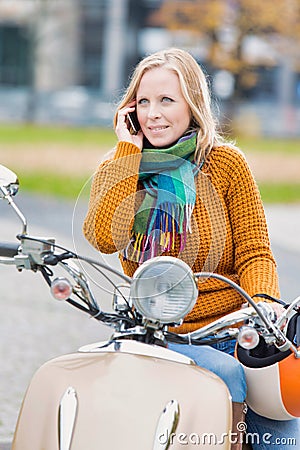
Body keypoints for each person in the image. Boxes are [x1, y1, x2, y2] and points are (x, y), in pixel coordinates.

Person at [83, 48, 298, 449]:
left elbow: (255, 252)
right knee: (223, 383)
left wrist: (264, 303)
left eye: (166, 100)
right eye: (143, 102)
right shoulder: (120, 166)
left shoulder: (227, 163)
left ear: (192, 104)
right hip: (162, 332)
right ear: (128, 111)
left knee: (283, 437)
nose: (153, 114)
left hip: (237, 327)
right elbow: (102, 237)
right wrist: (129, 153)